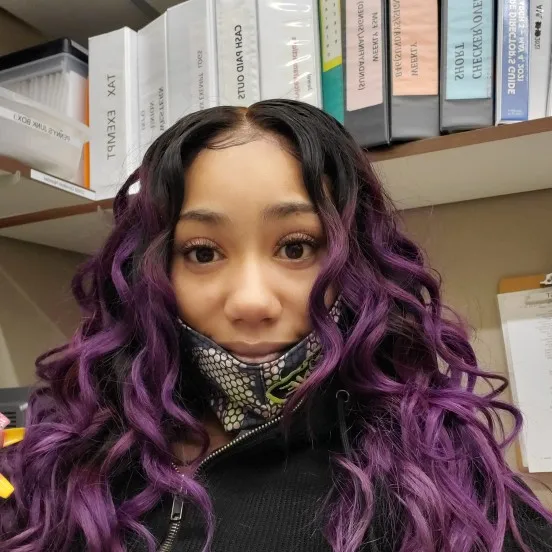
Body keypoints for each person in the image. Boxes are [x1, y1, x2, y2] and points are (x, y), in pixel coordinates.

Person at [0, 99, 551, 552]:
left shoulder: (437, 474)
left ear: (355, 263)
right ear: (154, 272)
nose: (251, 301)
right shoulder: (81, 454)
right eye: (202, 252)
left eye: (296, 247)